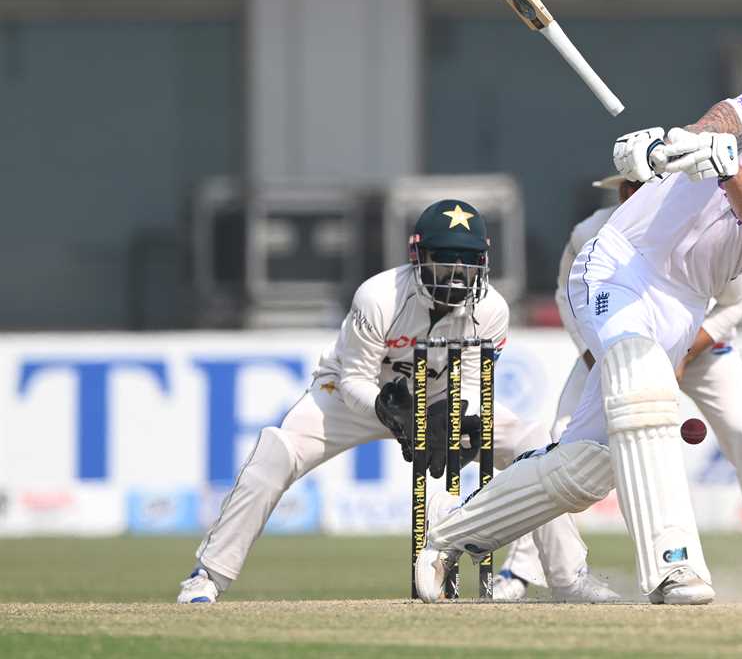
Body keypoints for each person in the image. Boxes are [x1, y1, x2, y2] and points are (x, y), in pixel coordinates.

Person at [415, 83, 742, 605]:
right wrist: (673, 148)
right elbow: (718, 123)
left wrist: (729, 170)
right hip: (620, 264)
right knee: (647, 390)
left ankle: (448, 535)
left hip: (684, 304)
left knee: (590, 466)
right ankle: (674, 567)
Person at [177, 199, 618, 603]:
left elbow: (470, 382)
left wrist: (455, 418)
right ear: (418, 259)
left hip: (441, 397)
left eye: (468, 264)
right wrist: (390, 412)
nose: (457, 276)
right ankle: (208, 576)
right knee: (276, 451)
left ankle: (567, 578)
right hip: (358, 397)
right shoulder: (378, 297)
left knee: (532, 442)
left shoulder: (492, 310)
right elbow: (353, 380)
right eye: (445, 264)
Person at [493, 175, 742, 603]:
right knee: (559, 437)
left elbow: (736, 303)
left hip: (703, 352)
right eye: (632, 187)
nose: (641, 194)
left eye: (652, 183)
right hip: (618, 347)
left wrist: (684, 351)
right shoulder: (591, 233)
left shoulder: (716, 225)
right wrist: (597, 348)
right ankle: (519, 571)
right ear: (621, 193)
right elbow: (566, 294)